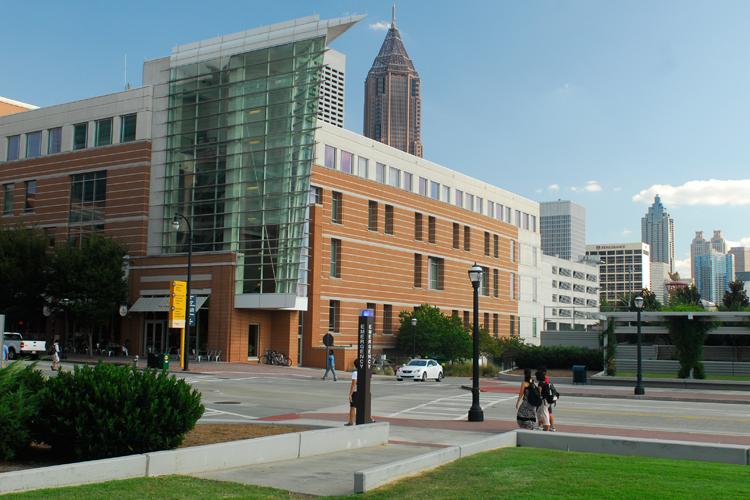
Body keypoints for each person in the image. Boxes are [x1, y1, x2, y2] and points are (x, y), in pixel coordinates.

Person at [541, 367, 557, 432]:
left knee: (547, 413)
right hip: (549, 399)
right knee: (549, 413)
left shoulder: (544, 379)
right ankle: (552, 427)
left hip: (546, 400)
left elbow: (542, 389)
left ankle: (549, 426)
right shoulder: (547, 379)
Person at [346, 359, 360, 426]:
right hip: (362, 392)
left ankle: (351, 422)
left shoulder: (355, 373)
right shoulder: (364, 372)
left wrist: (350, 394)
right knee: (361, 407)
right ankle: (370, 419)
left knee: (352, 407)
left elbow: (353, 384)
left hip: (356, 392)